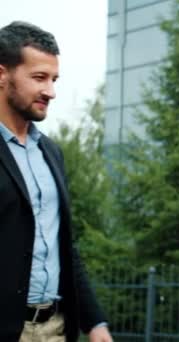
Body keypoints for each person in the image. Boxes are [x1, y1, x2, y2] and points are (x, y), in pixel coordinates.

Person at [0, 21, 112, 342]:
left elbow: (64, 243)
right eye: (39, 78)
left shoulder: (51, 153)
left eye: (54, 79)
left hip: (56, 328)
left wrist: (95, 322)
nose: (50, 91)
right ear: (2, 75)